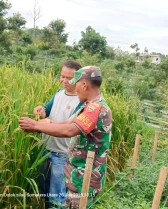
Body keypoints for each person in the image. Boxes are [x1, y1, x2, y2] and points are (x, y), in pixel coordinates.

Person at [19, 66, 112, 208]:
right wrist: (41, 124)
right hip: (78, 176)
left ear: (85, 85)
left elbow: (70, 130)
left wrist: (36, 126)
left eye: (76, 83)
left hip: (85, 178)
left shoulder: (95, 109)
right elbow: (67, 123)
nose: (74, 86)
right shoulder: (89, 106)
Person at [33, 60, 83, 208]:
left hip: (63, 154)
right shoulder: (59, 94)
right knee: (42, 188)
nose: (65, 81)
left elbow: (69, 126)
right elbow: (46, 111)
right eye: (62, 76)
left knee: (56, 196)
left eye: (69, 78)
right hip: (45, 149)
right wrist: (40, 110)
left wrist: (43, 124)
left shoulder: (81, 101)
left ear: (78, 79)